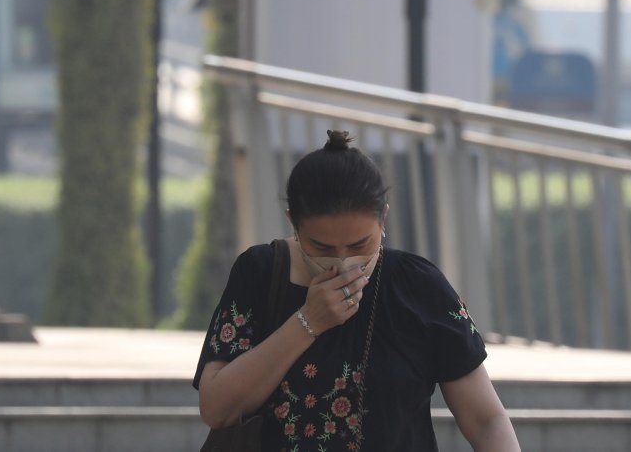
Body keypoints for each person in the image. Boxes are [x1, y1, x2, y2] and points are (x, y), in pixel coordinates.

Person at [194, 130, 520, 451]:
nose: (343, 260)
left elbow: (487, 420)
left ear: (383, 219)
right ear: (293, 222)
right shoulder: (260, 273)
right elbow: (216, 408)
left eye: (360, 244)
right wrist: (308, 322)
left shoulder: (418, 286)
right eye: (321, 246)